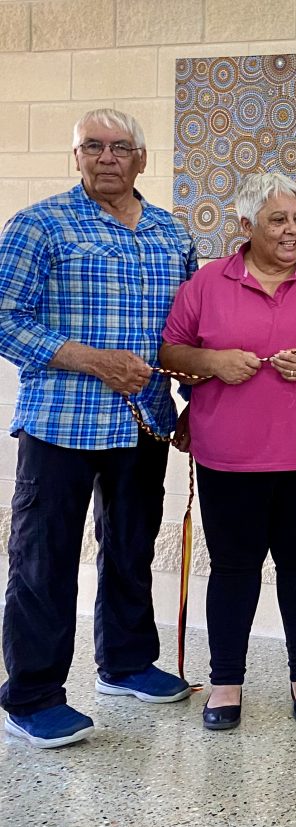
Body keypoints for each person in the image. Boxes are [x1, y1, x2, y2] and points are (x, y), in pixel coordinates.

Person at [0, 109, 197, 749]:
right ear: (77, 156)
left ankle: (127, 663)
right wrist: (90, 359)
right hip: (61, 422)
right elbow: (5, 318)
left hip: (144, 421)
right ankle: (31, 696)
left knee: (133, 547)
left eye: (120, 148)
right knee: (43, 560)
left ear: (142, 159)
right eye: (93, 146)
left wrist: (196, 401)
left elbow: (189, 332)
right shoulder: (38, 226)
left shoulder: (172, 233)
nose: (106, 157)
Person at [160, 173, 296, 731]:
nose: (293, 231)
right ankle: (226, 682)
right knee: (234, 568)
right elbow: (171, 350)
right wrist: (213, 364)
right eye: (277, 220)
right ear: (245, 227)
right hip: (230, 459)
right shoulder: (208, 283)